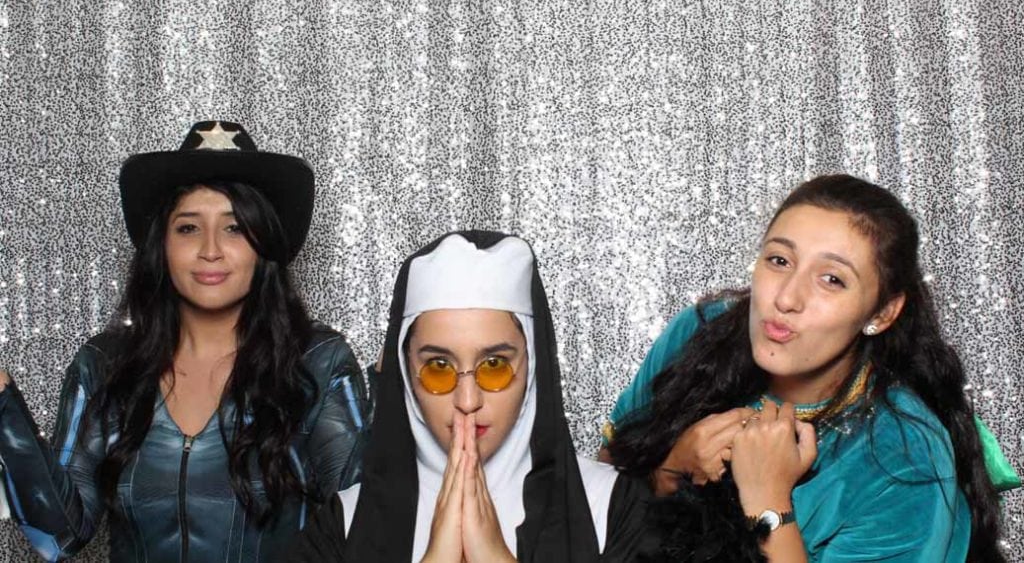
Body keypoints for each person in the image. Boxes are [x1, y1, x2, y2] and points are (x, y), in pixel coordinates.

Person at [0, 120, 370, 562]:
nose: (210, 250)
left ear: (265, 245)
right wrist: (3, 403)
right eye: (188, 228)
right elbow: (58, 537)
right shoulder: (103, 366)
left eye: (235, 228)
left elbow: (365, 524)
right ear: (161, 245)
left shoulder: (318, 363)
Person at [605, 174, 1013, 562]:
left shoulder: (904, 459)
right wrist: (669, 473)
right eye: (779, 260)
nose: (786, 298)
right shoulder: (700, 334)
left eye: (832, 279)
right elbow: (591, 497)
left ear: (882, 313)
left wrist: (767, 500)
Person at [289, 231, 651, 562]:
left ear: (533, 366)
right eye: (439, 367)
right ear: (405, 371)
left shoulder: (614, 507)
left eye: (494, 365)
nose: (466, 401)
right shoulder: (340, 526)